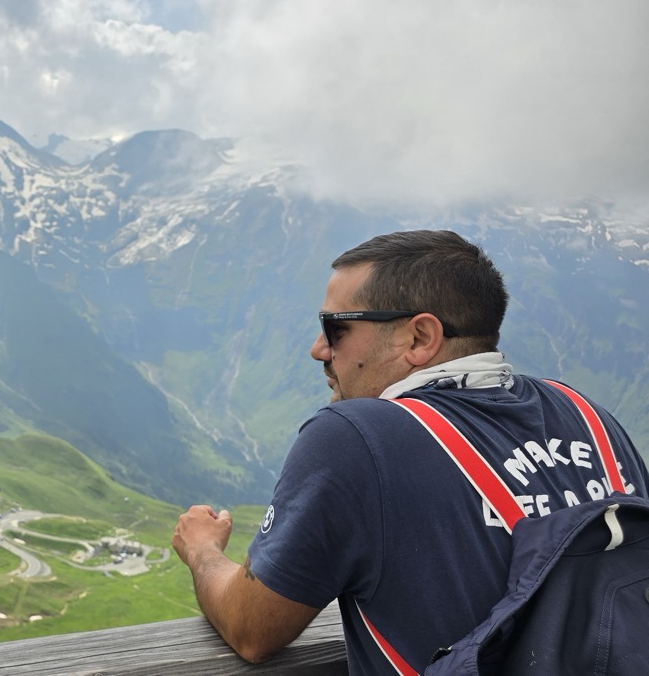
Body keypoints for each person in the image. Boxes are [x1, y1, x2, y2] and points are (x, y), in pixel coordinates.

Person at [172, 229, 648, 673]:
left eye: (334, 328)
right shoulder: (587, 414)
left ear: (419, 338)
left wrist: (202, 550)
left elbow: (252, 629)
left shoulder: (354, 438)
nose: (318, 349)